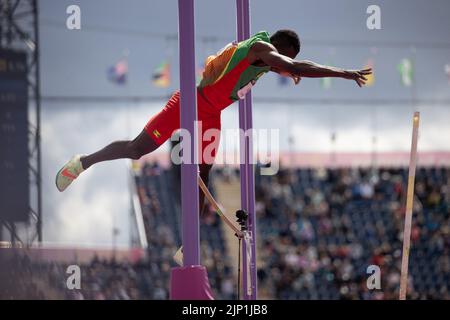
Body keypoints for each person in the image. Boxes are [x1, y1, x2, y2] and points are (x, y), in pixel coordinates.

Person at [55, 29, 371, 212]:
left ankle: (188, 246)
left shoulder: (264, 62)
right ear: (281, 49)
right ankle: (82, 162)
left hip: (210, 114)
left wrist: (290, 68)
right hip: (190, 102)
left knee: (204, 174)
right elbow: (299, 66)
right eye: (285, 60)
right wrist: (342, 72)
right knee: (139, 149)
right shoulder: (260, 48)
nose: (284, 70)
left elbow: (296, 66)